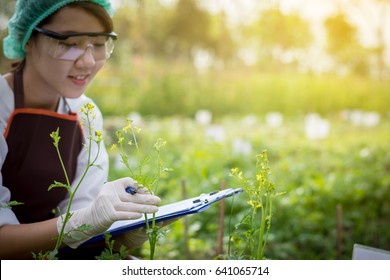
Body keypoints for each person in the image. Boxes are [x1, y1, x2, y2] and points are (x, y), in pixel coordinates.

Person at [0, 0, 161, 259]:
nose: (87, 62)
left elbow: (79, 228)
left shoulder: (86, 113)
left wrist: (123, 237)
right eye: (68, 43)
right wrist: (78, 223)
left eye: (98, 45)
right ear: (29, 39)